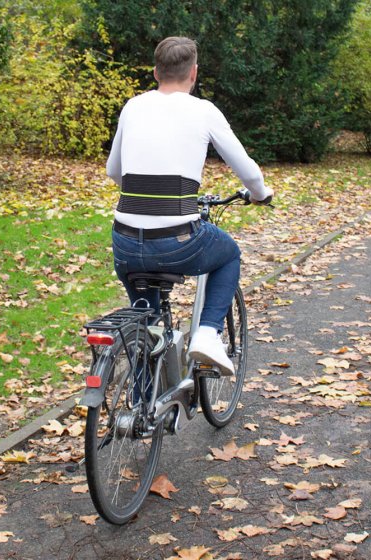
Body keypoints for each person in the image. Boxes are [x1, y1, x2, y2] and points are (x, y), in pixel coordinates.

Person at [106, 36, 273, 376]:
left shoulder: (133, 106)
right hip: (175, 241)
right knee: (228, 254)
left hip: (124, 241)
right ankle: (208, 335)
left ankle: (141, 413)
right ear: (193, 73)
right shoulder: (204, 111)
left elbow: (113, 172)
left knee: (147, 324)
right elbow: (248, 171)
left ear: (156, 72)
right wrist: (260, 193)